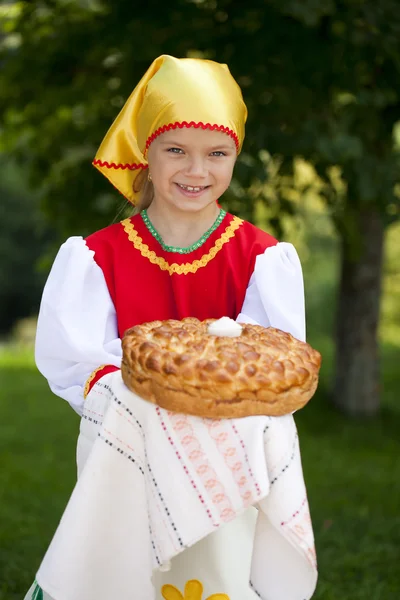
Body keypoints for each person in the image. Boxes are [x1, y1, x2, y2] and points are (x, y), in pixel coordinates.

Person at [25, 55, 316, 600]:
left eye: (217, 154)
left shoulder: (261, 258)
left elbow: (265, 369)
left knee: (215, 575)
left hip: (230, 467)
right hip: (126, 453)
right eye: (175, 150)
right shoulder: (95, 257)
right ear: (146, 154)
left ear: (235, 158)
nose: (196, 171)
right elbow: (79, 365)